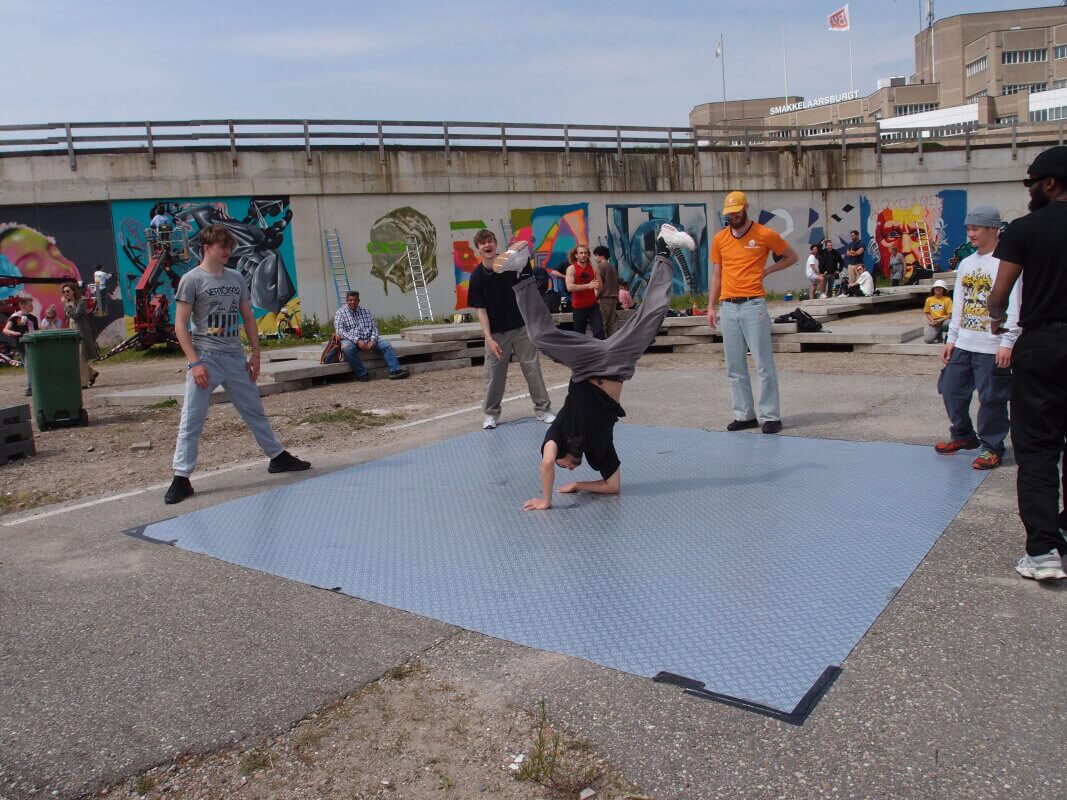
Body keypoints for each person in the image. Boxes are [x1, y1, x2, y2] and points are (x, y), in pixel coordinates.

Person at [495, 224, 695, 511]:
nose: (569, 469)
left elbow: (548, 461)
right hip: (618, 362)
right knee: (653, 316)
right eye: (570, 472)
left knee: (541, 337)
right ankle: (664, 246)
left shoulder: (557, 436)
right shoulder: (597, 452)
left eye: (567, 468)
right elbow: (612, 487)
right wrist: (579, 486)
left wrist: (546, 499)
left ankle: (522, 272)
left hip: (586, 365)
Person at [164, 224, 309, 505]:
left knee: (254, 411)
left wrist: (255, 355)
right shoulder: (192, 280)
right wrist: (194, 363)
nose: (228, 251)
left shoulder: (236, 278)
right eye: (222, 247)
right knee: (192, 418)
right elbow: (180, 325)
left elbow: (248, 317)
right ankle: (181, 477)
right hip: (205, 357)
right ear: (207, 248)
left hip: (234, 357)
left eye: (230, 246)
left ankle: (277, 457)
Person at [987, 145, 1067, 581]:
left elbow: (1000, 296)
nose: (1031, 191)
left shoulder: (1024, 228)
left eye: (1033, 183)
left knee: (1037, 449)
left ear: (1049, 183)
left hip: (1042, 343)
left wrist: (997, 321)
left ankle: (1043, 551)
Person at [935, 205, 1020, 471]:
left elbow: (1016, 304)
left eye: (976, 228)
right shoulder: (966, 263)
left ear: (994, 229)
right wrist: (951, 338)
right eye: (968, 228)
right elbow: (958, 304)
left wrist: (1008, 342)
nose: (970, 234)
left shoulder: (1008, 262)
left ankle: (992, 447)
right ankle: (963, 435)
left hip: (992, 345)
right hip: (964, 343)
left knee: (991, 399)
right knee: (950, 390)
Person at [707, 191, 799, 434]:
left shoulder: (764, 234)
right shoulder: (720, 238)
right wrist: (710, 306)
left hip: (753, 305)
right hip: (728, 306)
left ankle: (771, 415)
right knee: (734, 365)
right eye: (729, 213)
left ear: (746, 207)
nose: (733, 216)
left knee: (763, 363)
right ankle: (745, 414)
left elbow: (792, 256)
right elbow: (717, 274)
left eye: (737, 212)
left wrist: (768, 270)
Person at [467, 229, 554, 430]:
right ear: (478, 248)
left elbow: (526, 269)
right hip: (496, 333)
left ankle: (543, 410)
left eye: (490, 241)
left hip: (521, 327)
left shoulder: (510, 264)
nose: (487, 245)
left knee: (532, 369)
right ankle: (491, 415)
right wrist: (488, 338)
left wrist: (521, 254)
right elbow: (481, 311)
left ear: (495, 243)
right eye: (482, 243)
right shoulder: (477, 277)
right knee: (494, 375)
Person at [332, 291, 410, 381]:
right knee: (347, 348)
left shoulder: (366, 312)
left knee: (386, 345)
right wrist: (357, 340)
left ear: (359, 301)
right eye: (350, 300)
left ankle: (395, 371)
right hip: (351, 341)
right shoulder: (340, 313)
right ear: (347, 301)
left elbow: (375, 328)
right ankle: (362, 374)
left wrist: (373, 339)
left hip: (368, 339)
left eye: (355, 300)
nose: (353, 302)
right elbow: (340, 331)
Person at [61, 283, 100, 388]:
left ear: (73, 291)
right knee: (75, 358)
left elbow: (76, 315)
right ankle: (91, 373)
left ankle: (84, 382)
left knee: (81, 357)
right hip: (71, 331)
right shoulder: (69, 303)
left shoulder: (80, 302)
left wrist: (67, 306)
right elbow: (68, 318)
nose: (66, 293)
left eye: (68, 291)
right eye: (64, 292)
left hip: (80, 332)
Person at [566, 244, 605, 339]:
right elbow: (570, 287)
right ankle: (580, 353)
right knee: (579, 335)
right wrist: (588, 286)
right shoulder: (571, 269)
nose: (583, 255)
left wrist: (597, 287)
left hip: (593, 306)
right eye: (581, 253)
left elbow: (600, 286)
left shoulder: (594, 268)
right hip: (579, 307)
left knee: (599, 331)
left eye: (585, 253)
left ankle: (600, 353)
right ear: (576, 255)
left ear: (588, 255)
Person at [2, 297, 38, 396]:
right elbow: (5, 330)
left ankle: (35, 385)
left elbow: (37, 331)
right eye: (30, 305)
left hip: (34, 343)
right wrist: (14, 332)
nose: (33, 307)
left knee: (33, 364)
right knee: (28, 364)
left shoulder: (33, 318)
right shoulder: (15, 317)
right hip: (22, 344)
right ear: (23, 306)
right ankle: (30, 387)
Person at [593, 245, 621, 336]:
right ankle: (613, 344)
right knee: (612, 324)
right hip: (614, 298)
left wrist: (595, 296)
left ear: (602, 255)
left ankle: (602, 344)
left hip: (604, 298)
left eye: (596, 255)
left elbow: (598, 284)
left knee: (602, 322)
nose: (595, 257)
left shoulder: (600, 267)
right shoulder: (612, 267)